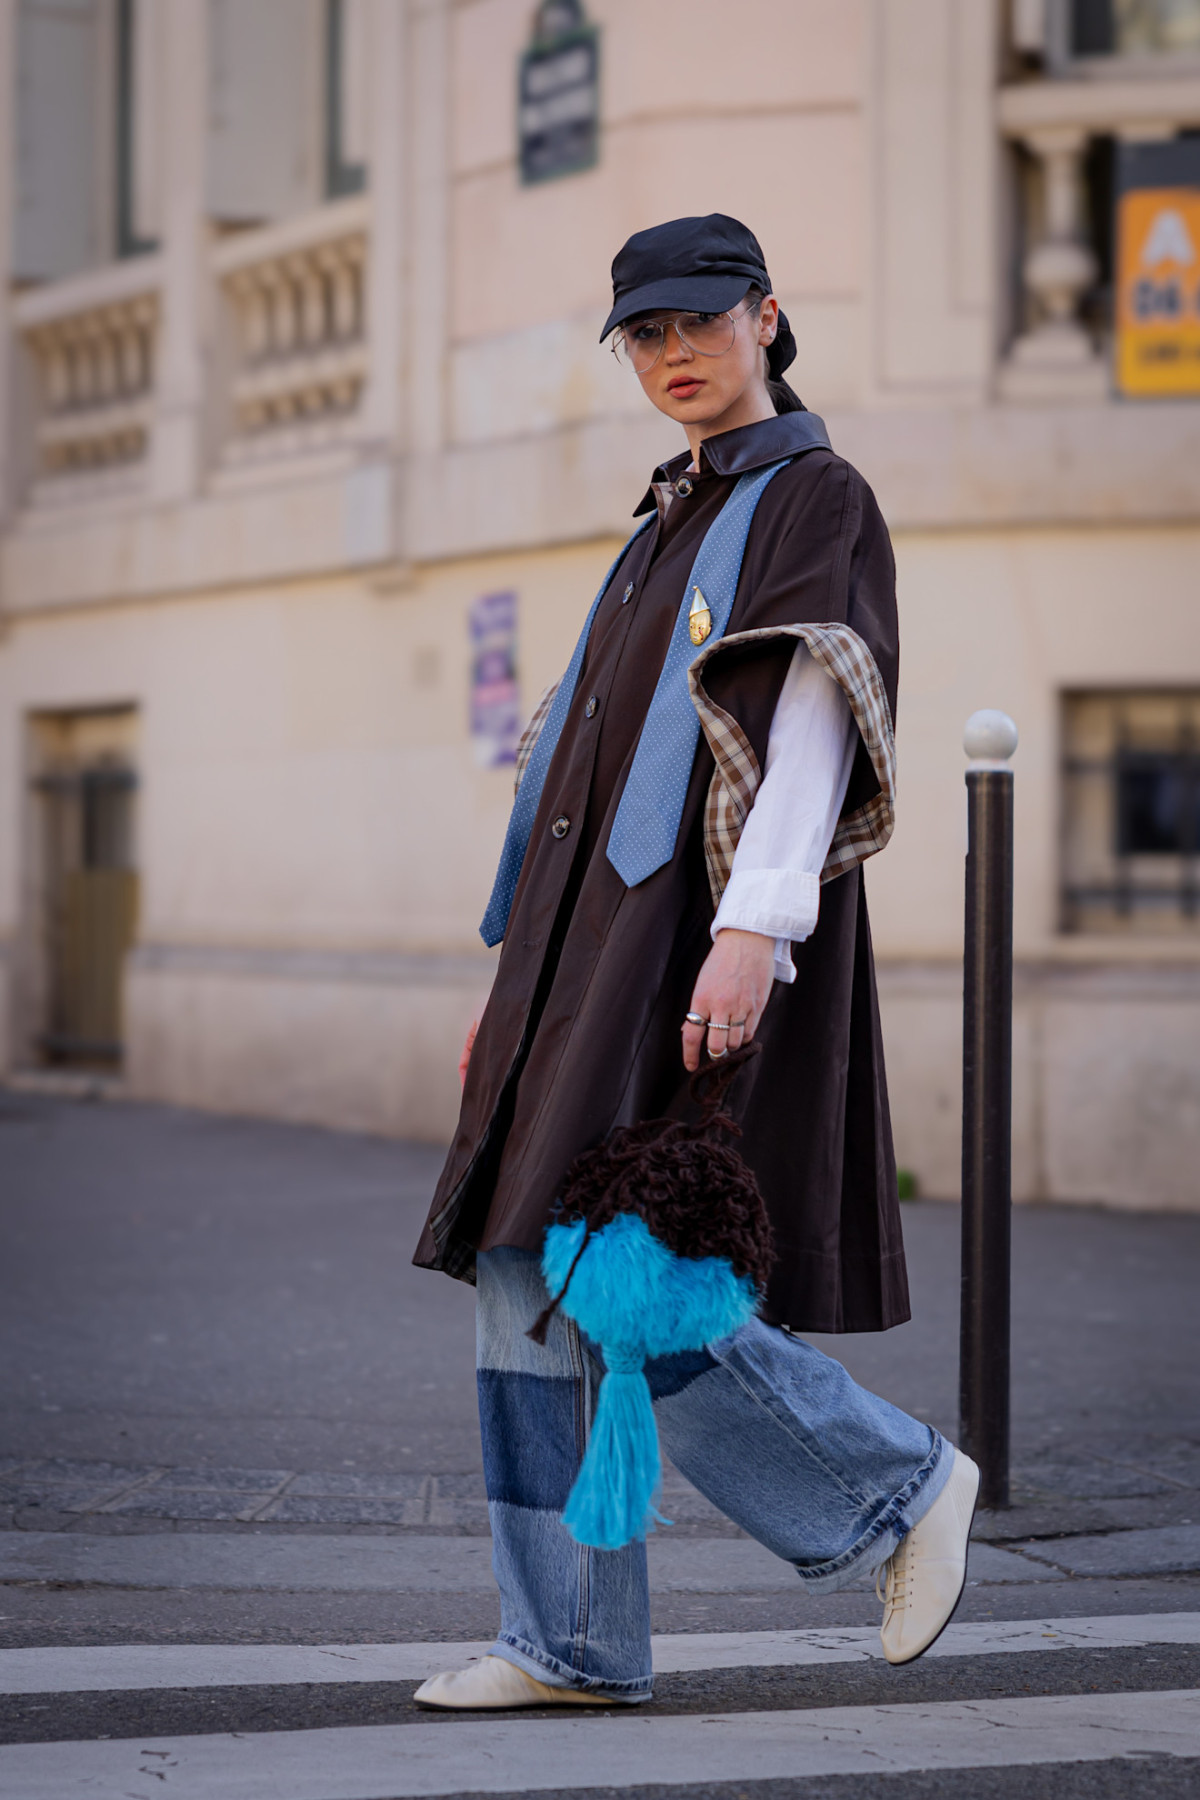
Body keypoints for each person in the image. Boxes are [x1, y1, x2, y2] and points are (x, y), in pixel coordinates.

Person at [412, 214, 978, 1710]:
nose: (674, 354)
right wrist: (510, 999)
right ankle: (571, 1641)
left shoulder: (811, 495)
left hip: (686, 938)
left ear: (767, 317)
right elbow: (583, 781)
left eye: (699, 323)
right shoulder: (666, 513)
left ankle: (898, 1486)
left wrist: (752, 929)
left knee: (618, 1272)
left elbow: (810, 714)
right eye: (646, 335)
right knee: (526, 1265)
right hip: (580, 951)